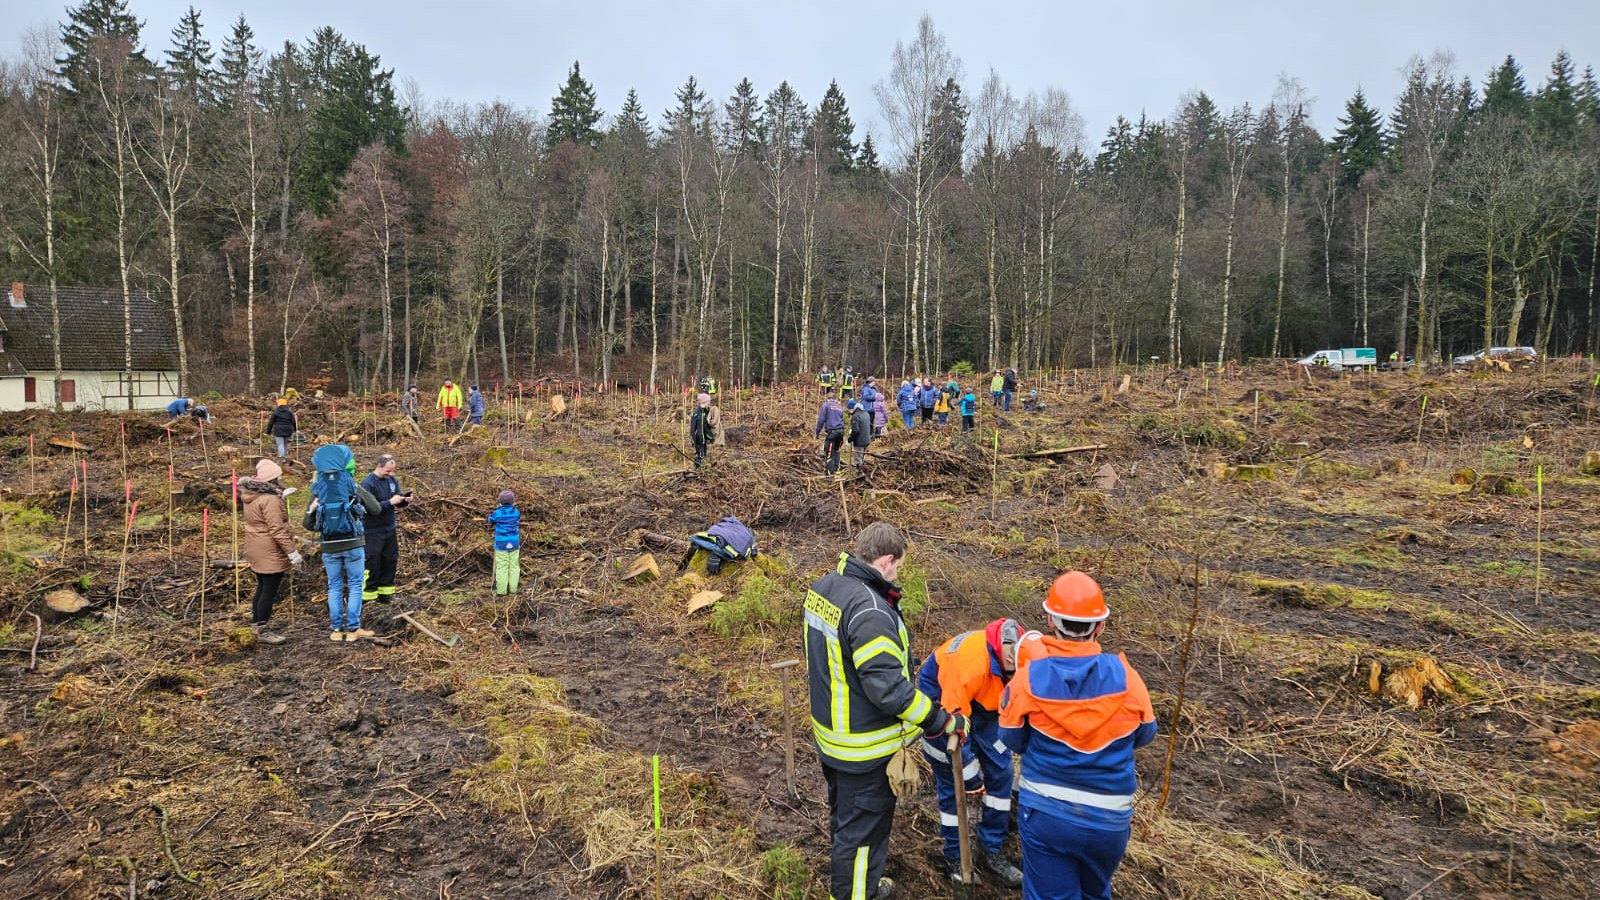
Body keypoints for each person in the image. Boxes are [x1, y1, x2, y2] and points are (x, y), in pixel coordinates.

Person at [804, 522, 958, 900]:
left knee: (847, 825)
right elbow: (889, 690)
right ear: (886, 560)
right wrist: (939, 719)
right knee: (861, 839)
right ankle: (858, 891)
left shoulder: (826, 587)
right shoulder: (870, 608)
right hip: (864, 750)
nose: (898, 574)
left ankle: (862, 885)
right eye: (899, 567)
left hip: (833, 738)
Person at [1000, 571, 1158, 900]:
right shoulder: (1128, 678)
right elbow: (1144, 733)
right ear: (1099, 626)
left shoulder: (1027, 680)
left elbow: (1013, 739)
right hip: (1110, 818)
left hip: (1047, 813)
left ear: (1050, 621)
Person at [919, 619, 1027, 886]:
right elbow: (952, 729)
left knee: (1001, 771)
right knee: (954, 782)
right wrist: (971, 778)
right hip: (945, 704)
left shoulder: (1024, 655)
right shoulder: (968, 664)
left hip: (986, 708)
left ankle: (991, 851)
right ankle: (955, 857)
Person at [303, 444, 381, 642]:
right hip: (353, 544)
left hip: (329, 546)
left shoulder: (318, 489)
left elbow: (307, 523)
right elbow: (376, 509)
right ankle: (354, 629)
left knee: (334, 586)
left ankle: (337, 630)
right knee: (355, 585)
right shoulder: (352, 485)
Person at [240, 458, 300, 645]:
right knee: (269, 590)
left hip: (256, 546)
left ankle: (256, 626)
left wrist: (280, 498)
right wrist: (291, 552)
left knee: (262, 586)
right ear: (272, 479)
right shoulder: (270, 499)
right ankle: (263, 630)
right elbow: (276, 528)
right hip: (269, 549)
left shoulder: (252, 494)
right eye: (278, 475)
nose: (281, 477)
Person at [360, 453, 411, 605]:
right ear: (379, 466)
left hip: (389, 527)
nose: (390, 474)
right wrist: (390, 502)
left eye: (392, 470)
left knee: (390, 560)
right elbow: (370, 508)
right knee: (372, 562)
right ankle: (368, 596)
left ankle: (386, 593)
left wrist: (404, 500)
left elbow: (397, 498)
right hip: (372, 530)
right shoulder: (367, 484)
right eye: (388, 470)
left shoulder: (392, 480)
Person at [487, 489, 521, 596]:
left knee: (502, 566)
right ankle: (513, 590)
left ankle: (501, 592)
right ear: (512, 501)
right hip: (514, 543)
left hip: (501, 544)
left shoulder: (497, 513)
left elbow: (490, 520)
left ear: (500, 501)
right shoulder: (516, 512)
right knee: (514, 566)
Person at [816, 395, 846, 476]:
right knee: (837, 450)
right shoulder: (839, 407)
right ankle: (837, 470)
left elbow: (821, 419)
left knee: (829, 452)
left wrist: (817, 433)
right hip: (841, 432)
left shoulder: (826, 405)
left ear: (828, 398)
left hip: (832, 432)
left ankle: (830, 473)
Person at [846, 399, 873, 468]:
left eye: (849, 409)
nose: (849, 411)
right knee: (862, 458)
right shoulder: (866, 413)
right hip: (867, 439)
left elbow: (856, 431)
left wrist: (849, 440)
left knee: (858, 461)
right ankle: (862, 469)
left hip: (859, 442)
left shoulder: (856, 416)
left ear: (852, 408)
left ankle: (858, 474)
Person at [689, 393, 713, 468]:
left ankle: (703, 469)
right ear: (704, 402)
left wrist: (710, 436)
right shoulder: (696, 413)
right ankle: (697, 469)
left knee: (704, 454)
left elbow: (706, 426)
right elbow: (692, 429)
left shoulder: (706, 411)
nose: (709, 403)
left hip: (704, 438)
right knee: (699, 454)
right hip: (698, 439)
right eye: (708, 402)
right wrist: (693, 440)